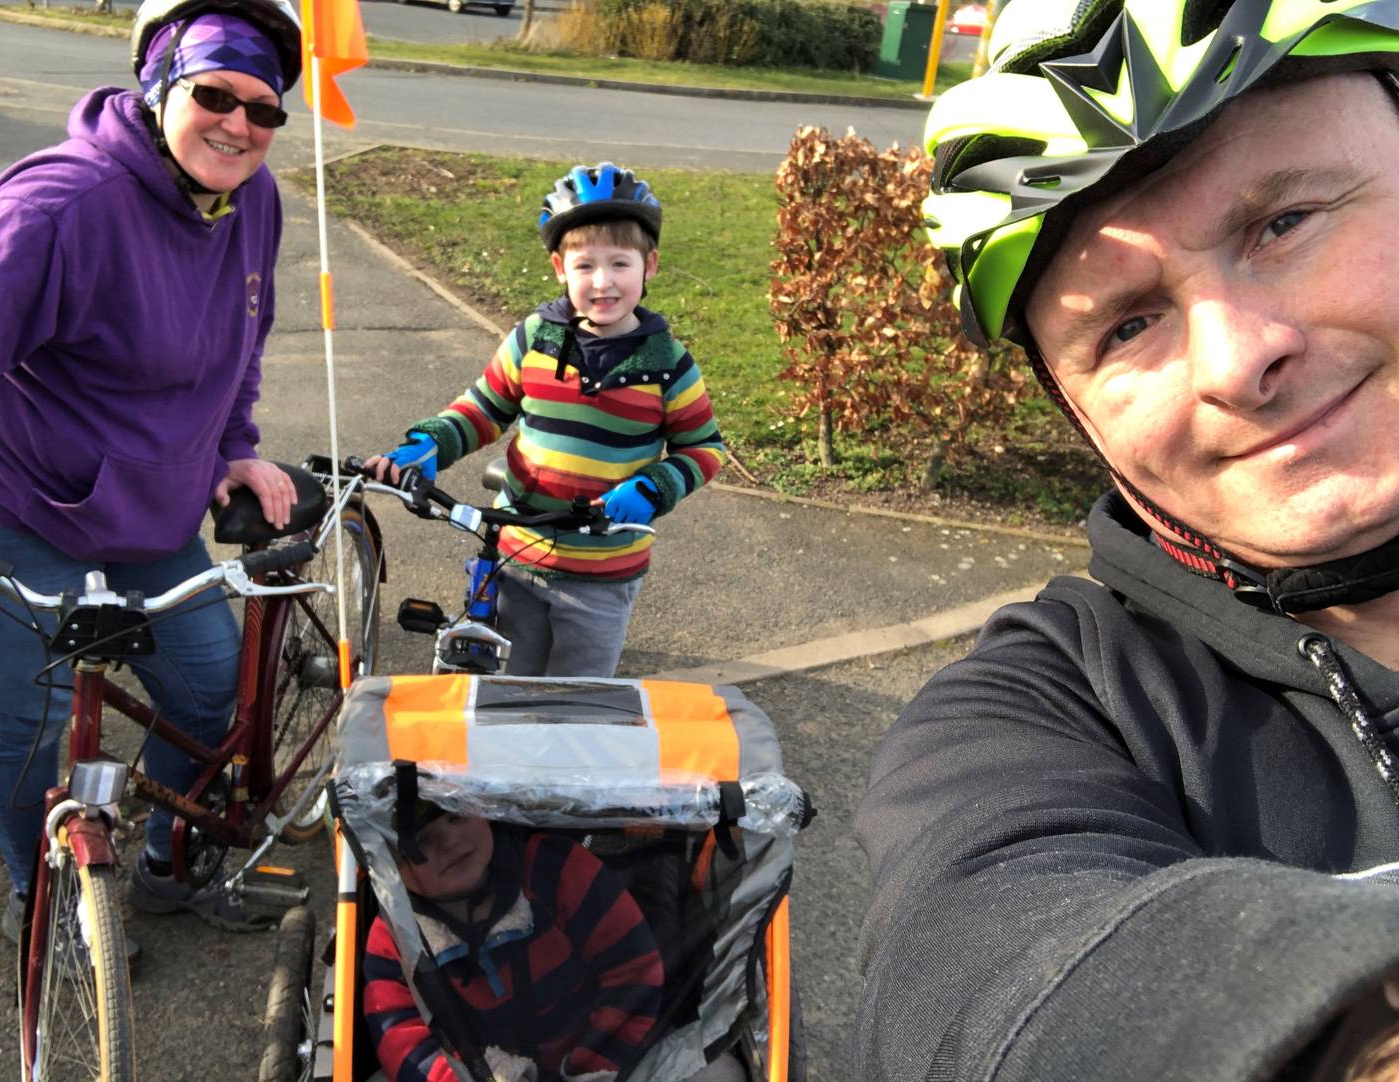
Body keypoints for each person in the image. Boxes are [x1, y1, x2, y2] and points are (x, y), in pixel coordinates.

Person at [855, 0, 1399, 1078]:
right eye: (1128, 324)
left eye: (1284, 221)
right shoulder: (1044, 715)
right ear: (1076, 411)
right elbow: (990, 978)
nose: (1239, 361)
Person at [0, 0, 303, 943]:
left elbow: (245, 334)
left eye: (265, 109)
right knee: (31, 709)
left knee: (208, 698)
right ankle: (42, 896)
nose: (240, 124)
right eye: (215, 95)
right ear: (159, 88)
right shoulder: (63, 203)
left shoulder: (253, 198)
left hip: (153, 516)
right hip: (16, 502)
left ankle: (163, 861)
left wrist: (234, 441)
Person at [367, 163, 727, 678]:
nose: (602, 283)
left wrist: (654, 487)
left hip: (602, 575)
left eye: (619, 264)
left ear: (651, 266)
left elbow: (705, 448)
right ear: (560, 268)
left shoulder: (668, 362)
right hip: (518, 555)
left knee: (575, 700)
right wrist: (431, 442)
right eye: (585, 266)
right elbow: (484, 408)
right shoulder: (536, 338)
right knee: (509, 689)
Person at [362, 802, 666, 1082]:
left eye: (458, 816)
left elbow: (635, 972)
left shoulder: (557, 870)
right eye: (421, 841)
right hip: (480, 1071)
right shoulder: (396, 937)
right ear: (393, 868)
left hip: (599, 1057)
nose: (451, 841)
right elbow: (403, 1040)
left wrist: (590, 1067)